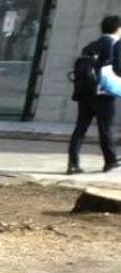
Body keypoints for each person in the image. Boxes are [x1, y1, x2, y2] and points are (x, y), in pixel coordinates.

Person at [69, 14, 121, 175]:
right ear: (118, 28)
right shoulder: (115, 44)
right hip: (104, 92)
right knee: (105, 127)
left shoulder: (91, 45)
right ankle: (110, 161)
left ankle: (73, 163)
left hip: (85, 92)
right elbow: (118, 68)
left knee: (80, 128)